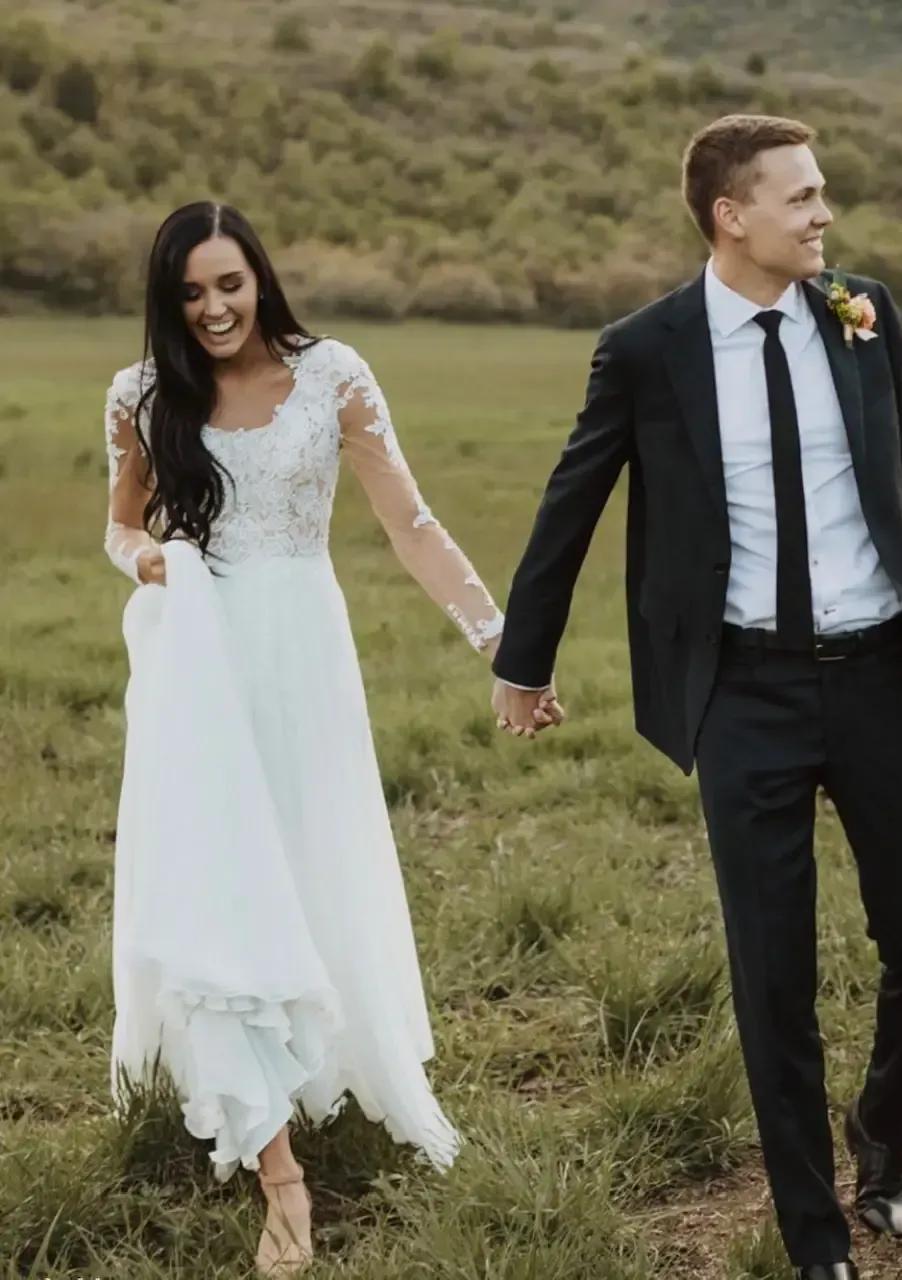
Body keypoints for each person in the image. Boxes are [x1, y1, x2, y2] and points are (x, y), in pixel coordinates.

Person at [490, 114, 902, 1280]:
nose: (823, 215)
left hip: (884, 673)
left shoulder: (863, 315)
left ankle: (878, 1141)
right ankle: (812, 1235)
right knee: (772, 975)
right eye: (801, 197)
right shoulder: (646, 350)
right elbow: (568, 503)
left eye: (821, 193)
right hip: (743, 692)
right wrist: (521, 662)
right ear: (730, 215)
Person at [103, 202, 525, 1275]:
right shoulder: (142, 395)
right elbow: (120, 523)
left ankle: (313, 1063)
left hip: (304, 657)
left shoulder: (335, 375)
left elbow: (410, 523)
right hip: (200, 656)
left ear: (261, 279)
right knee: (220, 881)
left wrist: (497, 639)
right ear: (170, 300)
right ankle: (277, 1169)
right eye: (191, 292)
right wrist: (146, 562)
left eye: (229, 284)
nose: (212, 308)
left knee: (306, 863)